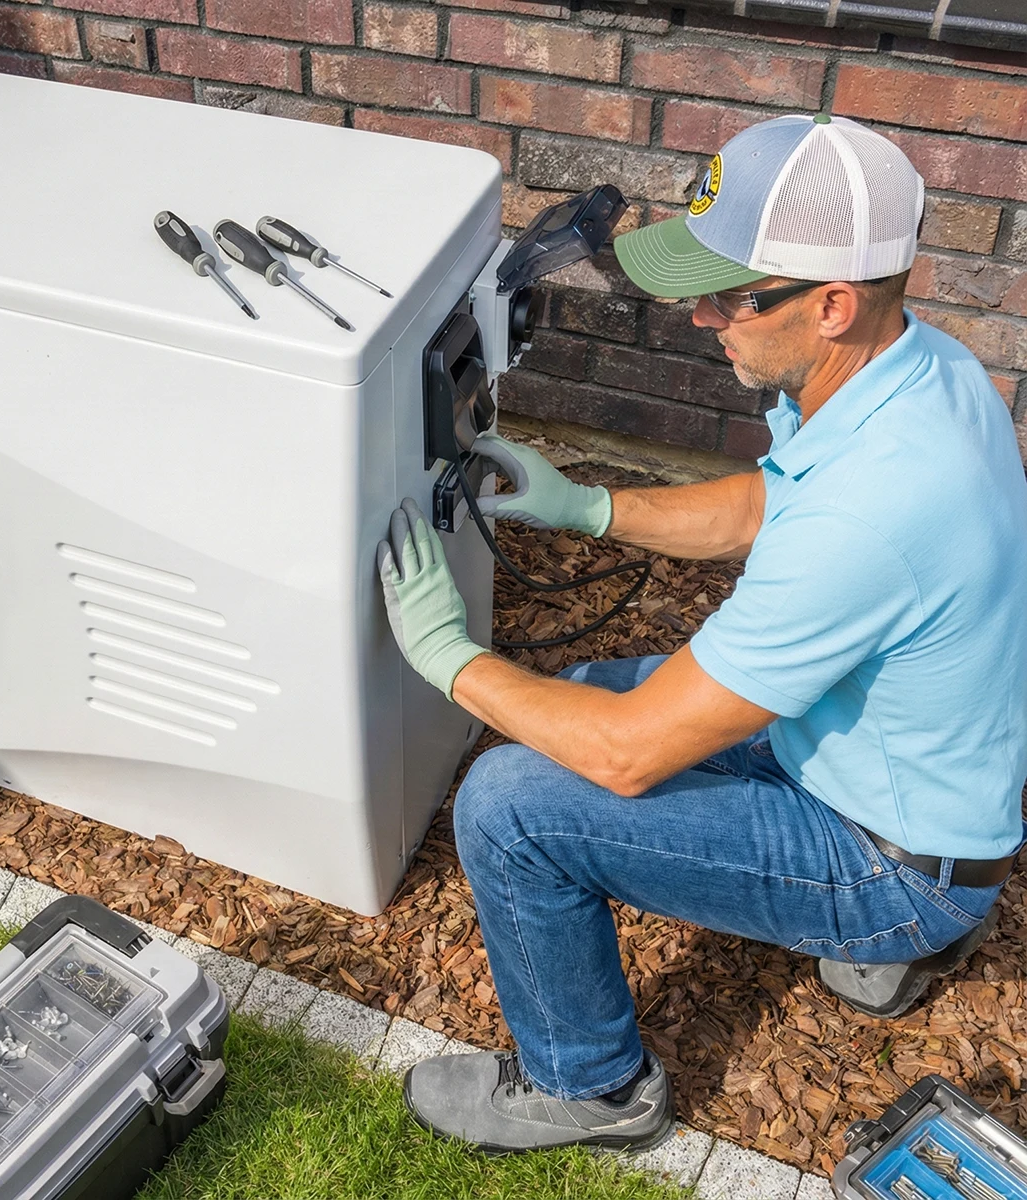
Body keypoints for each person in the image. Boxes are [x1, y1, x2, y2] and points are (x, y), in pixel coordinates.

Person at [375, 113, 1027, 1155]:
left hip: (895, 864)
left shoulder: (876, 510)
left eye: (731, 295)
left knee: (510, 806)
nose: (700, 317)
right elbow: (770, 503)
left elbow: (627, 758)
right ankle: (899, 939)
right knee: (585, 692)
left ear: (832, 305)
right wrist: (590, 506)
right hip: (911, 779)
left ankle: (591, 1089)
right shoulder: (922, 372)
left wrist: (450, 659)